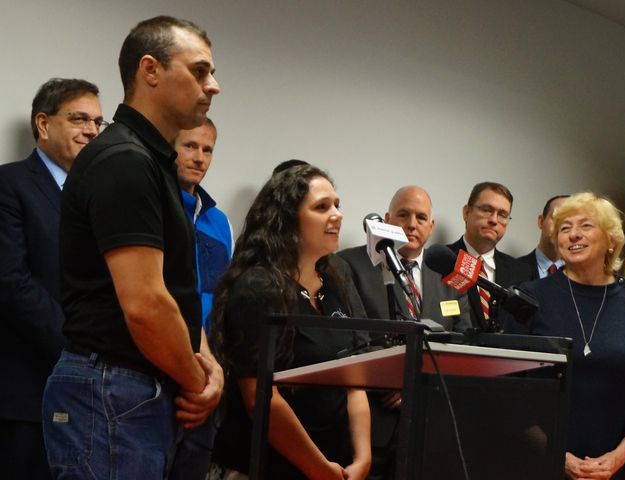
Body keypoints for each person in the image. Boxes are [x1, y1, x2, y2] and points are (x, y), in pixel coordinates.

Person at [41, 16, 223, 479]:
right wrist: (198, 381)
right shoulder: (124, 160)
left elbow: (177, 291)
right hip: (111, 387)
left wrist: (206, 364)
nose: (214, 86)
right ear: (151, 70)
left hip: (130, 390)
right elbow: (145, 305)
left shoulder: (150, 163)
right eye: (200, 71)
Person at [209, 164, 371, 479]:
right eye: (322, 207)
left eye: (337, 205)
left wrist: (362, 458)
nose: (336, 214)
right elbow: (260, 398)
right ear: (288, 219)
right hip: (267, 466)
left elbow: (355, 380)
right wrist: (318, 468)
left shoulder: (336, 282)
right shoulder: (258, 286)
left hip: (337, 467)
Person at [508, 192, 625, 479]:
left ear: (610, 240)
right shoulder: (531, 298)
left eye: (585, 226)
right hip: (540, 463)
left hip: (614, 469)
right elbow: (509, 390)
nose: (573, 235)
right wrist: (558, 456)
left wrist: (619, 456)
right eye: (565, 229)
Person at [0, 78, 103, 480]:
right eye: (79, 119)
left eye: (98, 122)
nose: (92, 131)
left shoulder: (98, 196)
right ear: (43, 125)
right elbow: (11, 282)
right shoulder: (10, 185)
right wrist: (79, 348)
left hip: (89, 398)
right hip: (26, 392)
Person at [337, 185, 471, 480]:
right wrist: (395, 380)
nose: (412, 224)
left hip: (431, 424)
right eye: (403, 214)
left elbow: (462, 343)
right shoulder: (351, 264)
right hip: (372, 424)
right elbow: (350, 338)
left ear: (431, 225)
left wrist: (417, 386)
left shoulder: (449, 272)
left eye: (421, 217)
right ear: (386, 219)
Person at [168, 118, 233, 480]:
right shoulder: (155, 205)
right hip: (164, 366)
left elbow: (220, 299)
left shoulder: (218, 221)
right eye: (189, 146)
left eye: (207, 149)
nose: (199, 157)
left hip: (208, 375)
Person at [447, 182, 532, 332]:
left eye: (502, 215)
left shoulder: (521, 273)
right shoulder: (443, 261)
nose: (494, 220)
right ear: (466, 212)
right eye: (487, 210)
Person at [518, 195, 569, 279]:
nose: (561, 226)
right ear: (541, 221)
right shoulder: (514, 270)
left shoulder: (582, 276)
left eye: (568, 222)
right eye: (556, 217)